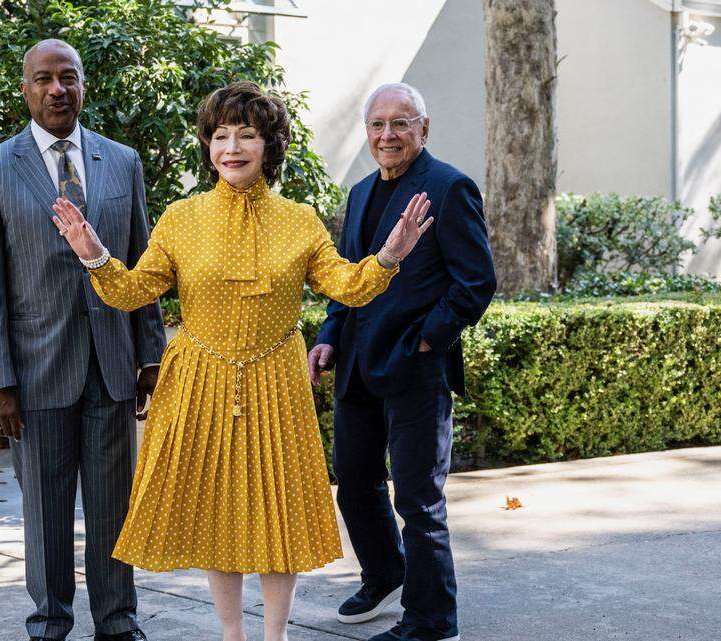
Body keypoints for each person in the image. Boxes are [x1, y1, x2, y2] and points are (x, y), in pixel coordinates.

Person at [49, 80, 434, 641]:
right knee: (216, 516)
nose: (232, 147)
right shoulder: (181, 217)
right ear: (208, 145)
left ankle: (273, 635)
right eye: (221, 135)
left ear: (268, 146)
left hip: (278, 383)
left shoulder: (300, 220)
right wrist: (95, 255)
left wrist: (390, 256)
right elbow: (132, 293)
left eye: (247, 135)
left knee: (275, 516)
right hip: (198, 381)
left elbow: (347, 287)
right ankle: (232, 634)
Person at [0, 39, 166, 641]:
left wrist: (149, 355)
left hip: (111, 367)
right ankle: (50, 622)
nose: (57, 90)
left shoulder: (121, 161)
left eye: (67, 78)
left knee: (113, 510)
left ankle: (118, 622)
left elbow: (142, 267)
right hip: (34, 372)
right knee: (46, 513)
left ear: (82, 85)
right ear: (25, 90)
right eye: (44, 79)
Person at [308, 83, 497, 641]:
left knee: (418, 500)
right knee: (355, 483)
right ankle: (384, 573)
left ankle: (433, 619)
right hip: (357, 366)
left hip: (417, 369)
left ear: (424, 128)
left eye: (400, 123)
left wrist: (425, 341)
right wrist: (329, 333)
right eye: (377, 125)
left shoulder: (448, 187)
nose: (387, 135)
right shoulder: (363, 191)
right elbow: (348, 280)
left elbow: (475, 283)